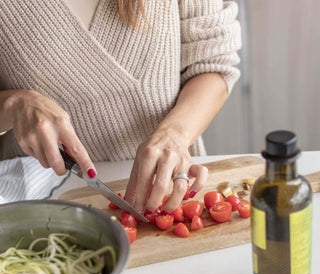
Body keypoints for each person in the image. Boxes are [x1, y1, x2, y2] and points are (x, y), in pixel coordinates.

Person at [0, 0, 241, 213]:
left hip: (172, 183)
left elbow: (213, 64)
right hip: (35, 202)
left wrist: (174, 135)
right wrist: (15, 104)